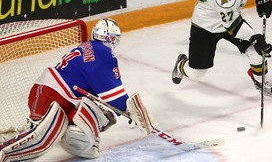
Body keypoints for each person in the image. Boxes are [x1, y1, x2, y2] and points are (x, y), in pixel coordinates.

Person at [0, 18, 157, 161]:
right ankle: (4, 152)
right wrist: (133, 112)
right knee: (42, 139)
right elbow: (115, 98)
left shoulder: (91, 47)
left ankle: (72, 139)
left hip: (60, 95)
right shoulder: (101, 56)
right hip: (52, 94)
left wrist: (128, 110)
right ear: (113, 39)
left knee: (92, 115)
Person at [172, 0, 272, 96]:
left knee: (257, 53)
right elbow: (234, 27)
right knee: (197, 73)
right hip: (205, 27)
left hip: (230, 21)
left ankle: (260, 81)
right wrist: (255, 37)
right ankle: (181, 64)